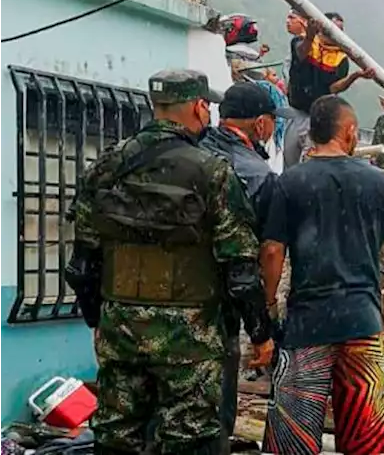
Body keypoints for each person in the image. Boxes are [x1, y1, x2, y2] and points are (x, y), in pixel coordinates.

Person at [65, 69, 273, 455]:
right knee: (190, 438)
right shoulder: (211, 172)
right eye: (207, 107)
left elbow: (80, 265)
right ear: (198, 107)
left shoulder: (106, 167)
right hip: (190, 340)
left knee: (117, 435)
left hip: (121, 331)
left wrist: (101, 320)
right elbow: (241, 272)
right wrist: (260, 332)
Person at [261, 95, 384, 455]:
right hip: (362, 321)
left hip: (307, 324)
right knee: (366, 441)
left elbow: (272, 250)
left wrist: (268, 304)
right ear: (350, 131)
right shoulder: (378, 182)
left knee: (292, 441)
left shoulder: (290, 182)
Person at [198, 81, 283, 447]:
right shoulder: (258, 174)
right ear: (262, 124)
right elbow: (263, 255)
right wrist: (262, 326)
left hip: (158, 305)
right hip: (220, 312)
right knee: (214, 418)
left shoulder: (191, 154)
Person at [283, 13, 374, 166]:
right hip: (296, 111)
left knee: (311, 162)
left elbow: (334, 87)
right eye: (331, 29)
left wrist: (355, 76)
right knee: (290, 160)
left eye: (339, 31)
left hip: (318, 117)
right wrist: (310, 36)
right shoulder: (303, 41)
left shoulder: (341, 58)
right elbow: (301, 53)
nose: (334, 34)